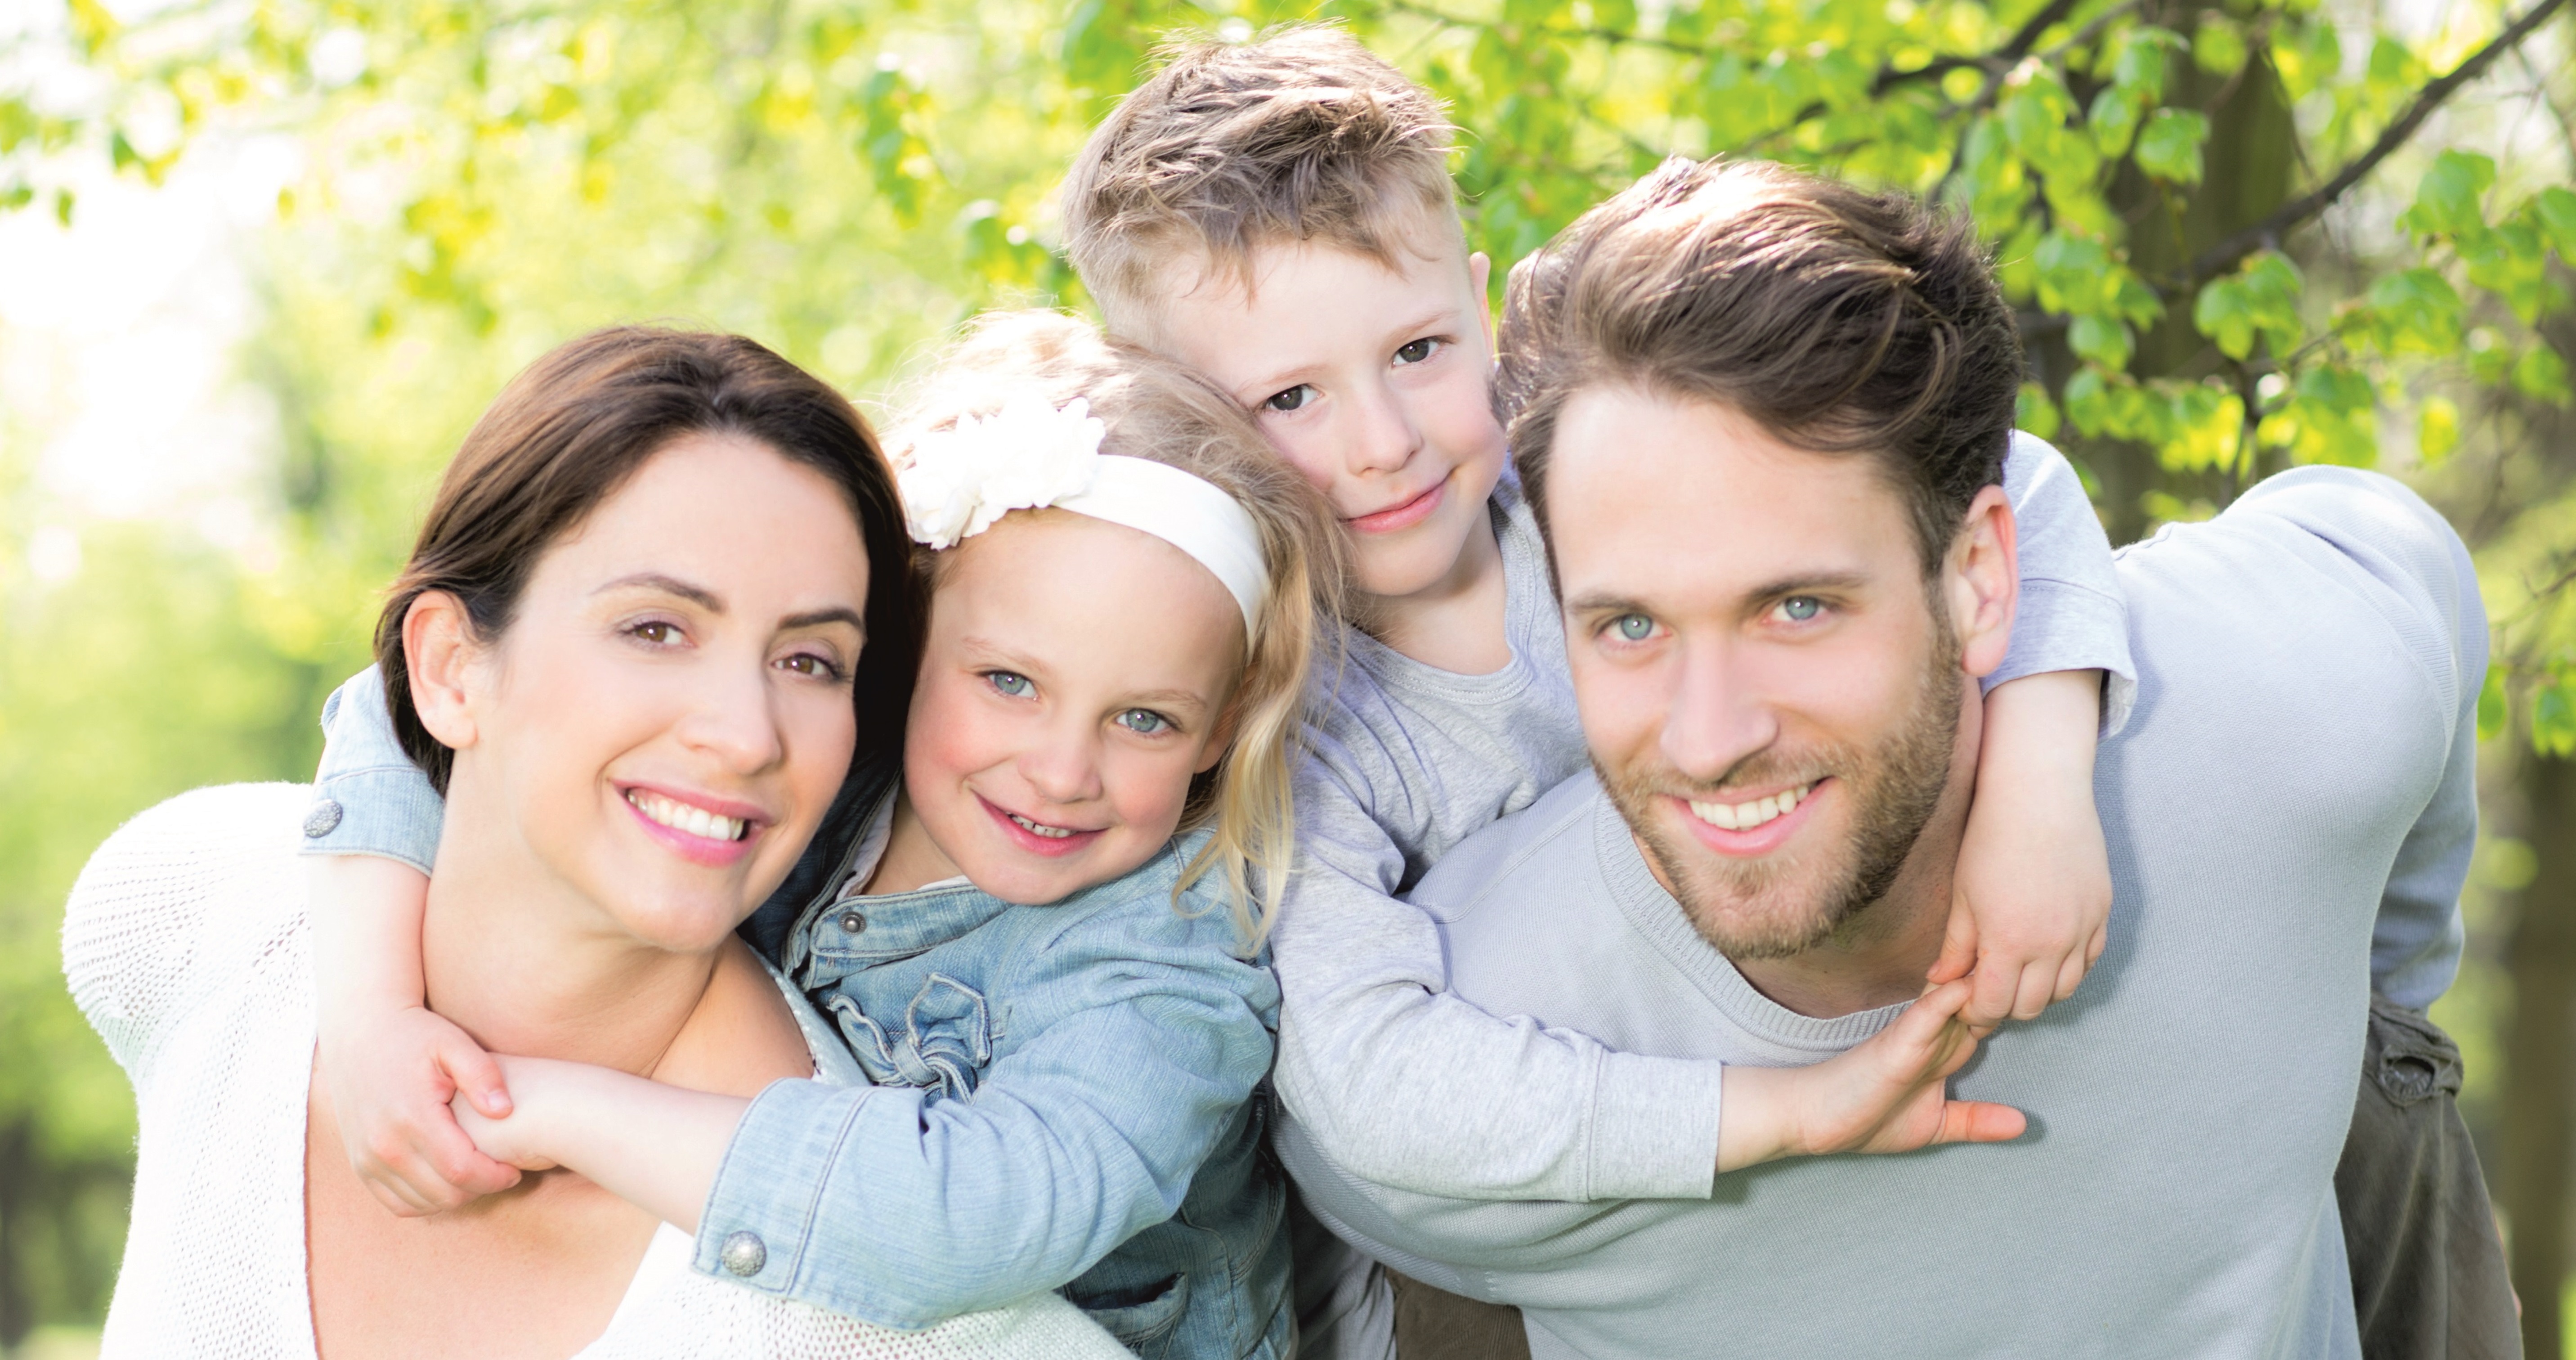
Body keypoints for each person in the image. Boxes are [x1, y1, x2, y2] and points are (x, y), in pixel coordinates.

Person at [1274, 157, 2504, 1359]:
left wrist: (2332, 995)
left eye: (1797, 608)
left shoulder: (2275, 714)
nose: (1711, 738)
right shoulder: (1478, 1043)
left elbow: (2406, 566)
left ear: (1980, 576)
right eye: (1631, 626)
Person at [1057, 27, 2132, 1353]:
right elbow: (1368, 1088)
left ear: (1479, 302)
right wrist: (1780, 1111)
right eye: (1288, 398)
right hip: (1485, 1266)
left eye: (1414, 352)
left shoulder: (1589, 475)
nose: (1382, 444)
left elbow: (2011, 483)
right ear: (1185, 425)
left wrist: (2041, 780)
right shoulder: (1290, 720)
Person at [60, 327, 1129, 1358]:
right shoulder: (182, 913)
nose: (748, 735)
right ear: (448, 669)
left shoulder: (889, 1305)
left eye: (810, 662)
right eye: (655, 629)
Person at [299, 313, 1334, 1358]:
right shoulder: (819, 746)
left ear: (1223, 722)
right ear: (911, 638)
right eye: (1009, 682)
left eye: (1145, 718)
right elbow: (406, 699)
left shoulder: (1163, 971)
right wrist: (369, 1016)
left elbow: (970, 1220)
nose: (1063, 772)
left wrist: (539, 1107)